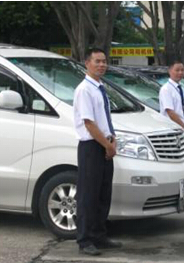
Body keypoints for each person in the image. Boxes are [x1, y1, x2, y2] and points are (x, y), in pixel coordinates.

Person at [73, 48, 122, 256]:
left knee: (103, 194)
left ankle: (99, 235)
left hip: (105, 144)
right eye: (97, 61)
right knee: (88, 195)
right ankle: (85, 240)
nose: (101, 65)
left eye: (104, 61)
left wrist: (112, 139)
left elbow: (104, 120)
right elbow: (89, 124)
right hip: (92, 147)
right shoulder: (84, 89)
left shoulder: (100, 87)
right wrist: (107, 145)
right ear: (87, 63)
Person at [159, 60, 184, 138]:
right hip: (172, 130)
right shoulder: (166, 89)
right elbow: (170, 112)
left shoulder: (180, 88)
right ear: (170, 71)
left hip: (183, 129)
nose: (180, 73)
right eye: (177, 70)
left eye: (182, 70)